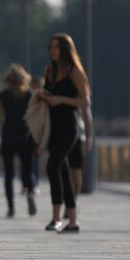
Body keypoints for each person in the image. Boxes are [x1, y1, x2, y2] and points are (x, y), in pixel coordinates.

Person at [37, 34, 91, 233]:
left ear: (65, 50)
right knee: (62, 171)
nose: (53, 51)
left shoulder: (75, 72)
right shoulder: (49, 71)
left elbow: (85, 102)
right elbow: (47, 93)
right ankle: (71, 220)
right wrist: (43, 95)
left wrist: (60, 100)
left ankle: (57, 217)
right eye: (51, 47)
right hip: (53, 126)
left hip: (70, 127)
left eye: (57, 47)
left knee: (53, 166)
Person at [0, 64, 37, 218]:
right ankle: (30, 190)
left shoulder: (3, 96)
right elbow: (34, 117)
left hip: (8, 136)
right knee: (27, 170)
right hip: (25, 136)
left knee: (8, 173)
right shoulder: (30, 95)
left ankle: (11, 207)